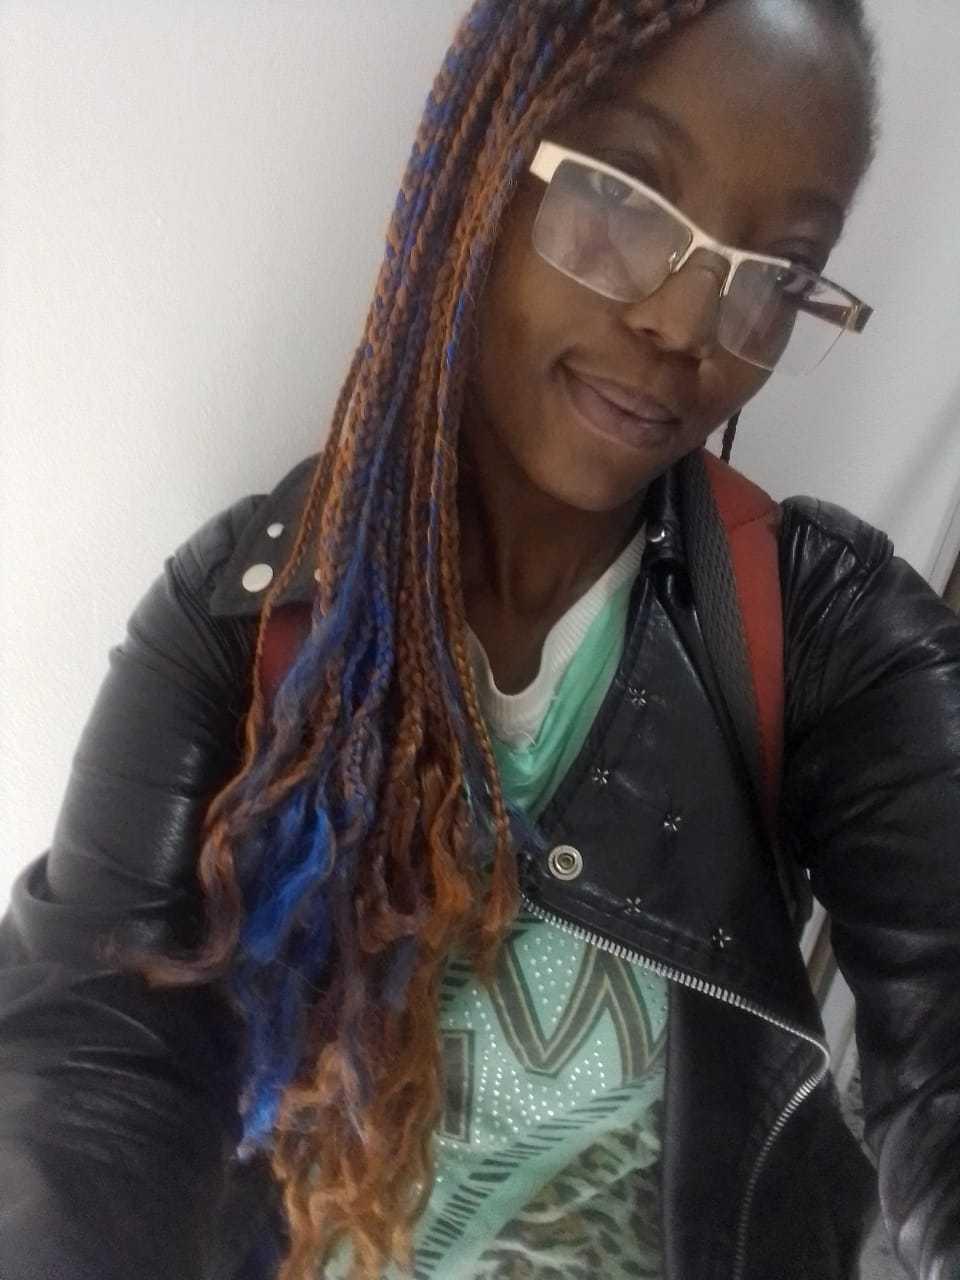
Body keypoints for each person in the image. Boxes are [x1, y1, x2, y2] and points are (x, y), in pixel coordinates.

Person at [1, 1, 958, 1278]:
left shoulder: (821, 628)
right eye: (627, 198)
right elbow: (88, 1073)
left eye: (774, 273)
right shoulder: (243, 614)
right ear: (483, 172)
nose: (688, 324)